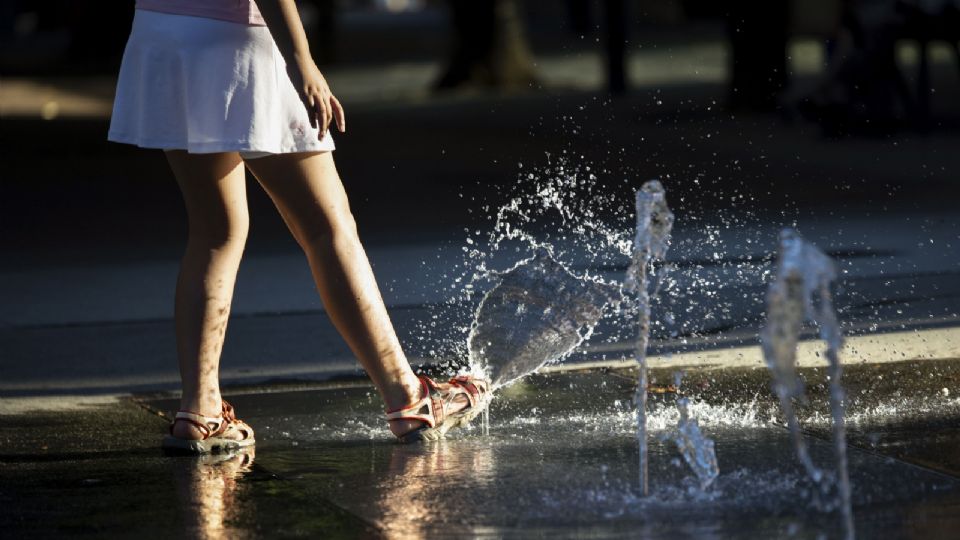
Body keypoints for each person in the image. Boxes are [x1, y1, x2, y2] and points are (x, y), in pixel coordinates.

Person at [108, 0, 489, 453]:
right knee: (328, 226)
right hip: (238, 40)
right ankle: (408, 397)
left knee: (215, 232)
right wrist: (301, 60)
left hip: (163, 34)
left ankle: (200, 410)